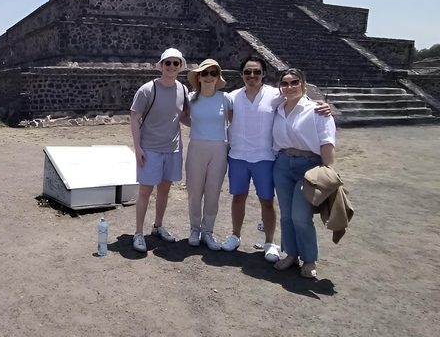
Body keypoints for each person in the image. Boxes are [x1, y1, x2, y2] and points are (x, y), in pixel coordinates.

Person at [221, 56, 329, 263]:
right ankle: (235, 235)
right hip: (238, 156)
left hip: (265, 157)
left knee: (267, 201)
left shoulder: (274, 95)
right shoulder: (232, 97)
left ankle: (270, 242)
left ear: (263, 74)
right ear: (241, 74)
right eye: (248, 72)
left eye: (257, 72)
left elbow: (298, 98)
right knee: (238, 198)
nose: (252, 76)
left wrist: (322, 104)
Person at [272, 68, 336, 278]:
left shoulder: (316, 110)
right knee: (287, 215)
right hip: (282, 164)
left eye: (294, 82)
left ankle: (309, 258)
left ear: (304, 84)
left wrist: (328, 172)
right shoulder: (278, 108)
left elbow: (327, 141)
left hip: (308, 166)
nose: (289, 87)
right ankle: (291, 253)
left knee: (301, 216)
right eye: (285, 83)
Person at [129, 48, 189, 253]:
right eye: (168, 63)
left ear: (181, 66)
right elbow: (135, 117)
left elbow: (182, 116)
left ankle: (158, 226)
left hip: (172, 149)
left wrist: (207, 125)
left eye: (176, 63)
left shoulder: (183, 89)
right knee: (145, 192)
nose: (172, 67)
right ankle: (138, 232)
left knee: (165, 191)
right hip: (150, 148)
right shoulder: (147, 89)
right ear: (161, 65)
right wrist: (137, 148)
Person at [181, 59, 229, 250]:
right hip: (197, 147)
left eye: (213, 73)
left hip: (218, 148)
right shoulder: (192, 98)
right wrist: (198, 127)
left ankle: (207, 231)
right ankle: (194, 229)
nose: (209, 77)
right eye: (205, 73)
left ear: (218, 77)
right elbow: (182, 115)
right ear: (199, 77)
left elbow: (233, 120)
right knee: (194, 190)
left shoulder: (226, 98)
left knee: (213, 192)